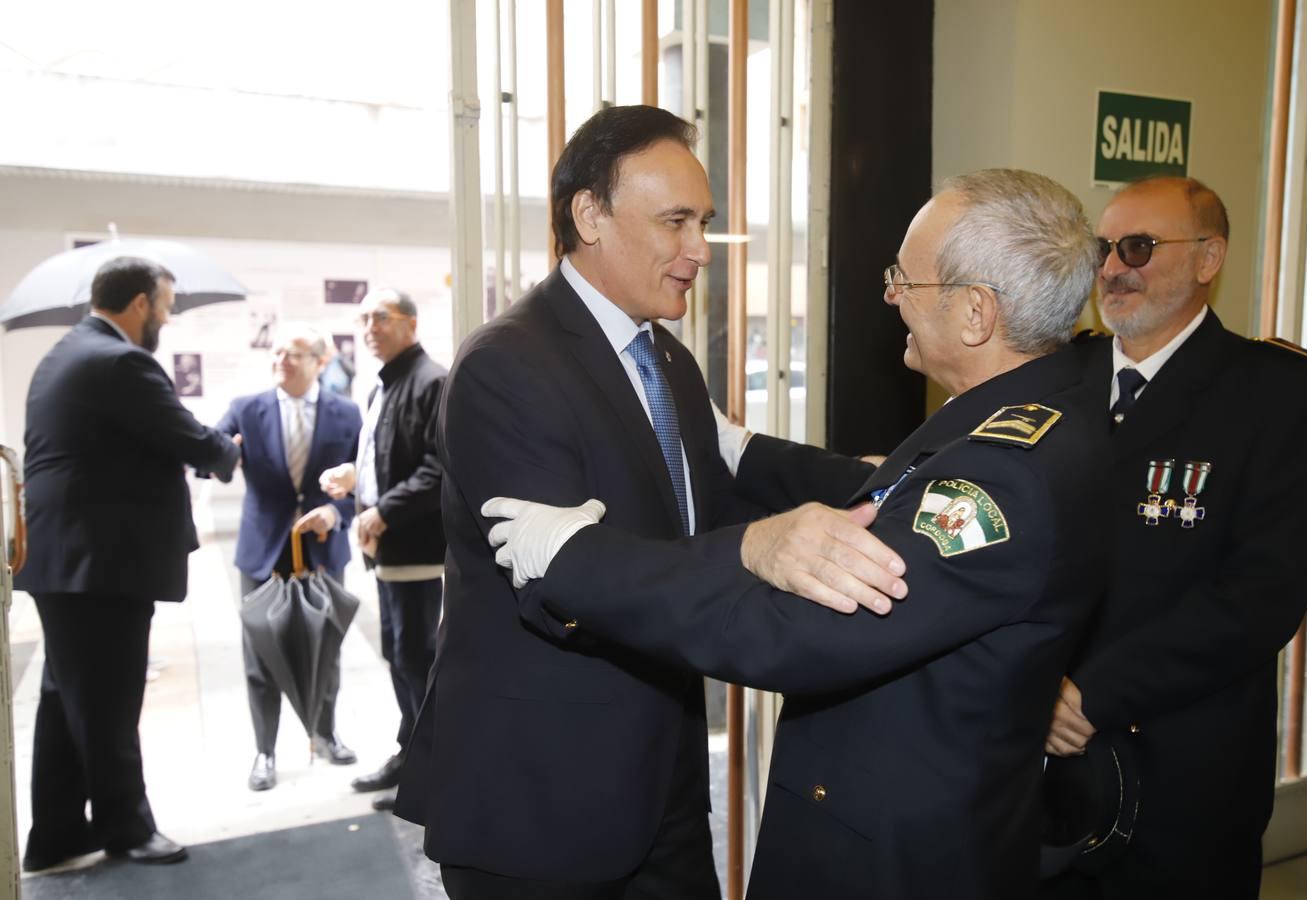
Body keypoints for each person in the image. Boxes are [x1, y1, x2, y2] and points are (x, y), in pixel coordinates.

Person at [482, 168, 1111, 899]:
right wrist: (747, 453)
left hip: (890, 862)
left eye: (904, 280)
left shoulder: (1002, 479)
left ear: (975, 314)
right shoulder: (1038, 417)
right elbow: (883, 493)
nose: (890, 297)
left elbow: (793, 631)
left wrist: (575, 560)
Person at [393, 104, 906, 900]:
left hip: (656, 776)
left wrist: (892, 478)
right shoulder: (507, 366)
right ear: (589, 215)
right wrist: (753, 549)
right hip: (539, 798)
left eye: (702, 222)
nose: (700, 250)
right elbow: (569, 578)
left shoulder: (662, 355)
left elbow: (726, 479)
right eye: (675, 222)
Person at [1040, 176, 1307, 900]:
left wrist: (1093, 694)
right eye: (1103, 249)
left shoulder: (1281, 395)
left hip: (1182, 774)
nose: (1113, 268)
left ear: (1209, 259)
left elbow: (1260, 598)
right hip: (1041, 763)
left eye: (1138, 247)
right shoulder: (1055, 378)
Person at [16, 256, 240, 869]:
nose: (165, 318)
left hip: (69, 561)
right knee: (110, 702)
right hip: (100, 565)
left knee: (68, 703)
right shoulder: (120, 361)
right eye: (165, 306)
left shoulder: (65, 354)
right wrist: (227, 449)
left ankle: (57, 833)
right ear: (140, 303)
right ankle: (126, 828)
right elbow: (185, 435)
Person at [216, 324, 362, 791]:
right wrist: (223, 455)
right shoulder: (246, 409)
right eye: (277, 352)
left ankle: (325, 732)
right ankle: (265, 751)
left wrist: (334, 512)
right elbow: (210, 457)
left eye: (294, 353)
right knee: (261, 654)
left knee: (326, 646)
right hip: (263, 552)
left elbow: (364, 481)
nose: (281, 359)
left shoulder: (346, 413)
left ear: (319, 361)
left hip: (321, 550)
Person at [318, 286, 446, 811]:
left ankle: (435, 771)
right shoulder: (384, 386)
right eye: (364, 319)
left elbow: (438, 467)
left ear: (410, 324)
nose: (370, 327)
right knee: (399, 657)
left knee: (417, 659)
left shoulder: (432, 382)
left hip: (420, 552)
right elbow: (389, 455)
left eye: (381, 318)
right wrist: (355, 479)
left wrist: (382, 510)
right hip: (392, 554)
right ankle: (410, 754)